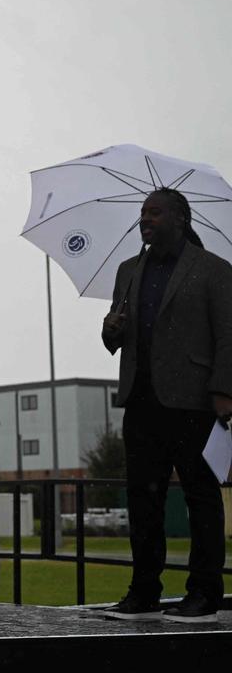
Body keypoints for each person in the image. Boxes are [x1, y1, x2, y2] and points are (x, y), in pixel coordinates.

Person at [99, 187, 232, 623]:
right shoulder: (128, 270)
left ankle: (205, 594)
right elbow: (113, 341)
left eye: (155, 212)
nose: (146, 219)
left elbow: (228, 335)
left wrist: (223, 392)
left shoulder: (213, 270)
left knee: (201, 498)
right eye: (142, 213)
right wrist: (111, 328)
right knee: (143, 500)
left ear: (181, 218)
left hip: (193, 401)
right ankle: (144, 593)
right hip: (141, 399)